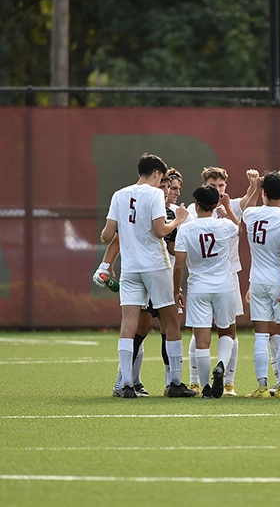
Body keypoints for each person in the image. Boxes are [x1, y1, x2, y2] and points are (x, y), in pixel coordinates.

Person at [99, 154, 196, 399]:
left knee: (128, 324)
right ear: (156, 174)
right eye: (162, 179)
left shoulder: (119, 195)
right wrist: (180, 220)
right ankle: (174, 383)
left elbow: (106, 235)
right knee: (171, 320)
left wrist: (107, 263)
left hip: (130, 268)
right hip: (155, 264)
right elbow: (160, 230)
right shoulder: (154, 194)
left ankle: (126, 385)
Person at [185, 166, 258, 397]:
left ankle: (228, 382)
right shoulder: (193, 210)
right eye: (213, 186)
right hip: (209, 277)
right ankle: (195, 381)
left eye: (221, 185)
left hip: (228, 274)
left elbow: (246, 203)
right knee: (202, 331)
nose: (218, 190)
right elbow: (237, 228)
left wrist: (253, 185)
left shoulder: (231, 204)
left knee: (229, 329)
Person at [173, 185, 240, 398]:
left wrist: (176, 291)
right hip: (223, 286)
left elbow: (179, 265)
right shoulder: (223, 225)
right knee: (227, 332)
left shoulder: (186, 228)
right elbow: (237, 226)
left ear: (196, 204)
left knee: (201, 340)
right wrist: (227, 208)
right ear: (215, 205)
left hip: (198, 287)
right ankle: (220, 364)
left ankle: (205, 388)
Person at [241, 171, 280, 399]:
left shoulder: (251, 214)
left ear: (264, 192)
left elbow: (246, 207)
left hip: (257, 281)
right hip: (279, 280)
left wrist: (255, 187)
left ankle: (262, 387)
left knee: (260, 336)